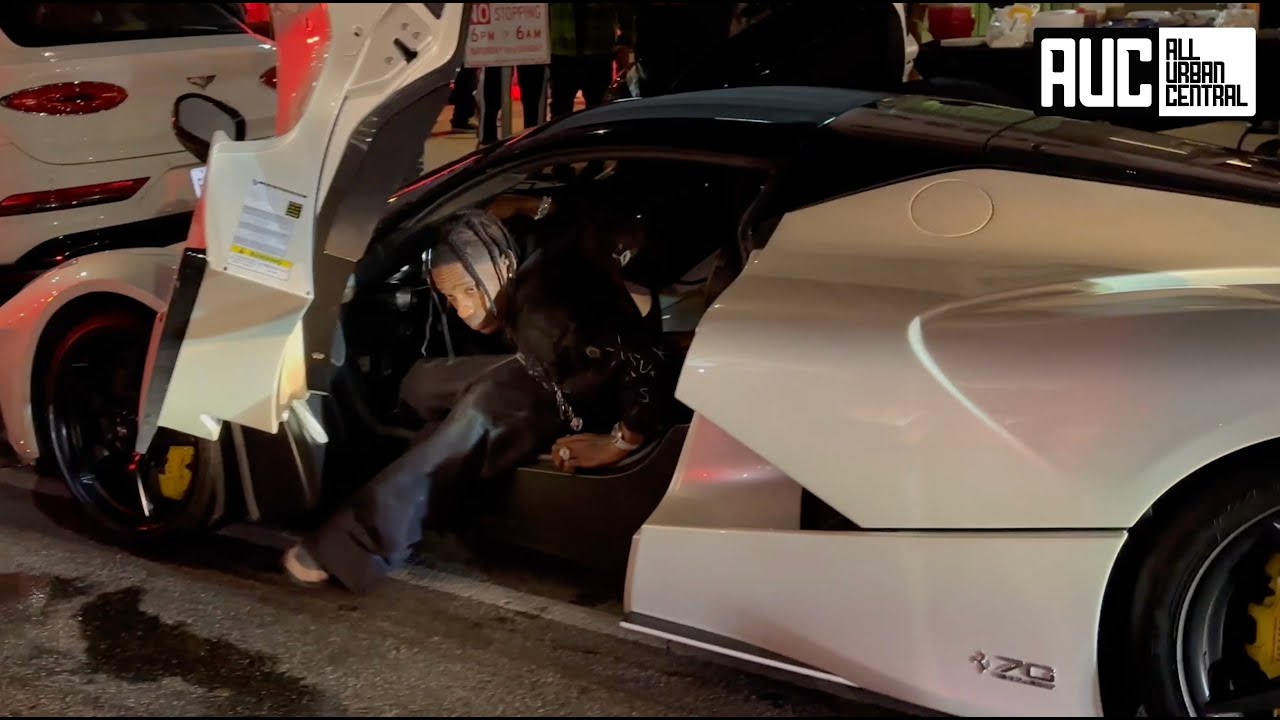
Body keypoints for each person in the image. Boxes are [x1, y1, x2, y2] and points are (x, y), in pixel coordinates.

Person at [282, 205, 678, 591]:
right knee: (421, 382)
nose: (465, 309)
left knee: (476, 413)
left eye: (470, 289)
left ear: (505, 262)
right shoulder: (530, 253)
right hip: (548, 363)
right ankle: (425, 469)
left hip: (581, 394)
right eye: (452, 297)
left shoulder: (544, 309)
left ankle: (355, 543)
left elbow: (650, 360)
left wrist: (620, 439)